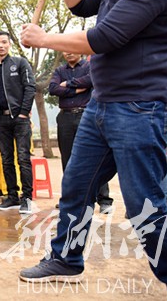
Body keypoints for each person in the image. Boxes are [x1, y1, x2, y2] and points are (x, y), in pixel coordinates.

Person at [19, 0, 167, 297]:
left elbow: (104, 38)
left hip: (140, 108)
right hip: (102, 106)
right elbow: (80, 5)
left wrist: (43, 38)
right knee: (76, 186)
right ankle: (66, 259)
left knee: (145, 208)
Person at [48, 52, 113, 213]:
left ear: (80, 51)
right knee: (67, 159)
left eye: (72, 49)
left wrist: (67, 84)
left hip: (87, 115)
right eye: (65, 49)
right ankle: (71, 199)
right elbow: (53, 88)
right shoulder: (59, 70)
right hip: (65, 117)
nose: (69, 52)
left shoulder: (89, 66)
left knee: (95, 158)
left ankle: (104, 200)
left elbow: (91, 80)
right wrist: (77, 89)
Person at [0, 30, 36, 214]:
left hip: (20, 119)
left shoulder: (20, 63)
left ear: (9, 44)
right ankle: (12, 196)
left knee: (23, 158)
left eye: (4, 42)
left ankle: (27, 198)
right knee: (6, 160)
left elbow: (30, 87)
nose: (0, 45)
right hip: (1, 120)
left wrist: (23, 113)